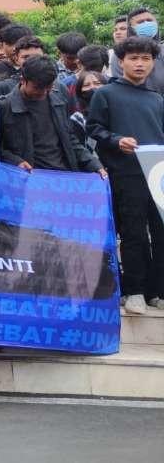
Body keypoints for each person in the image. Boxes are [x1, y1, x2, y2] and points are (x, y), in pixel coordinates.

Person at [88, 36, 164, 315]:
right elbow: (93, 128)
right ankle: (134, 290)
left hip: (158, 174)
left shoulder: (157, 98)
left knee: (161, 232)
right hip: (126, 173)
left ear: (153, 63)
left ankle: (158, 290)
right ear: (121, 62)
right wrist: (116, 139)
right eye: (134, 58)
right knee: (133, 234)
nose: (140, 64)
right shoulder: (105, 94)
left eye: (146, 59)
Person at [0, 56, 105, 177]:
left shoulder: (58, 100)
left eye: (49, 87)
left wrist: (94, 164)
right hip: (28, 177)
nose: (44, 93)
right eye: (37, 88)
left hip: (63, 174)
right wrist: (15, 161)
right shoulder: (4, 107)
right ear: (22, 80)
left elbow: (70, 139)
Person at [111, 7, 164, 93]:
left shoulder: (162, 50)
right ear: (131, 28)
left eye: (149, 20)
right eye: (140, 22)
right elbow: (123, 89)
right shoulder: (121, 54)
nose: (146, 23)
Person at [0, 36, 48, 100]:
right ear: (16, 59)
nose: (32, 61)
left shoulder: (57, 86)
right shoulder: (3, 87)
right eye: (26, 57)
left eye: (36, 57)